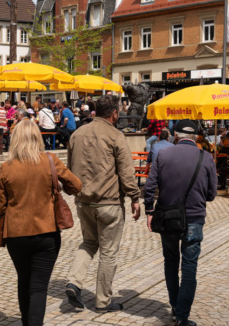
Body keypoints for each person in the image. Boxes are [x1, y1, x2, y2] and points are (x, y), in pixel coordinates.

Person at [0, 119, 81, 326]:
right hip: (47, 232)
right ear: (37, 137)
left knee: (24, 280)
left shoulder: (8, 167)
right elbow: (76, 185)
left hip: (16, 234)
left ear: (15, 139)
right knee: (38, 286)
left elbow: (0, 205)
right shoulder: (50, 160)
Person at [65, 94, 142, 313]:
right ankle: (102, 301)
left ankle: (74, 282)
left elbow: (70, 168)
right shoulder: (115, 135)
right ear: (115, 113)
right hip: (108, 202)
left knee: (88, 243)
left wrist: (75, 192)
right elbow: (127, 173)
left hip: (83, 201)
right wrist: (135, 198)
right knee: (108, 252)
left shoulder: (77, 134)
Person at [144, 123, 217, 326]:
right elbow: (211, 194)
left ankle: (175, 307)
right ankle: (183, 317)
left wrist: (149, 211)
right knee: (189, 266)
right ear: (196, 137)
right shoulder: (207, 157)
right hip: (194, 218)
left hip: (168, 217)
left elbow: (149, 187)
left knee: (170, 262)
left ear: (176, 135)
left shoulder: (164, 154)